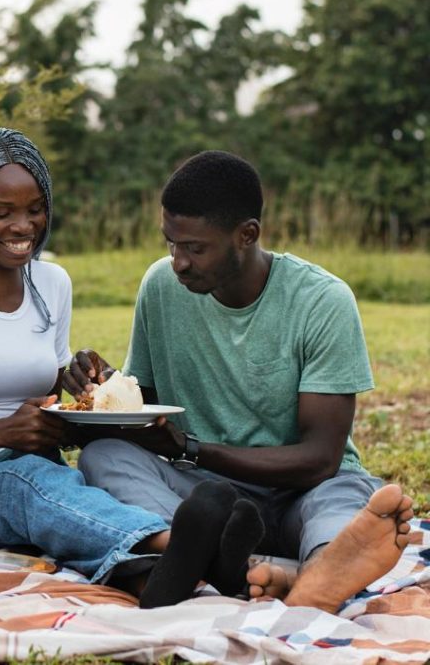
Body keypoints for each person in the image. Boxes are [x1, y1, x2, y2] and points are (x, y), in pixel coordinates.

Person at [0, 128, 266, 607]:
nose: (23, 226)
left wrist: (85, 391)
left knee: (63, 485)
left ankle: (152, 579)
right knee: (27, 486)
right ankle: (177, 547)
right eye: (1, 213)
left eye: (34, 209)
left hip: (37, 468)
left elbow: (45, 411)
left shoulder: (52, 284)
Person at [65, 150, 415, 612]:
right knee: (106, 455)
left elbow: (319, 460)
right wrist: (106, 390)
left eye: (194, 248)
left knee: (344, 497)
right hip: (203, 503)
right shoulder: (160, 287)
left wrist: (192, 449)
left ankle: (323, 567)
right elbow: (146, 414)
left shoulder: (322, 301)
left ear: (246, 235)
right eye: (171, 243)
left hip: (301, 493)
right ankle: (218, 556)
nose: (178, 263)